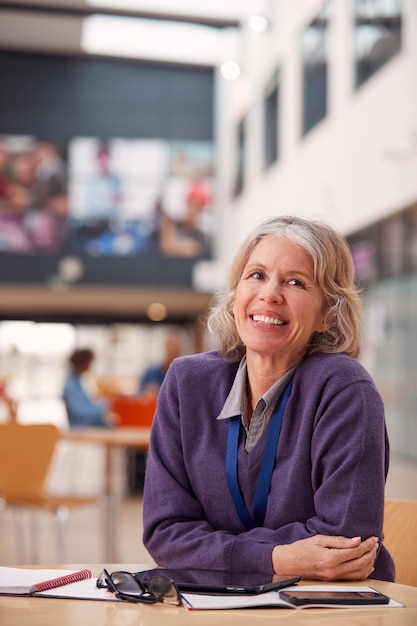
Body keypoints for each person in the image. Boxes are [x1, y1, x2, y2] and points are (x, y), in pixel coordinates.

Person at [143, 215, 395, 582]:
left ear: (328, 314)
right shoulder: (186, 382)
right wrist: (280, 557)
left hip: (329, 608)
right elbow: (165, 535)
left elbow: (344, 542)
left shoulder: (345, 389)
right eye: (257, 275)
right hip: (213, 606)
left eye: (295, 282)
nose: (270, 295)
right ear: (235, 298)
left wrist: (215, 552)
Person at [63, 348, 113, 428]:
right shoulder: (71, 385)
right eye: (90, 363)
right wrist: (103, 408)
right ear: (83, 363)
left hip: (87, 422)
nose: (90, 366)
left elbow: (86, 404)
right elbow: (79, 411)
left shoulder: (77, 381)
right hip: (80, 426)